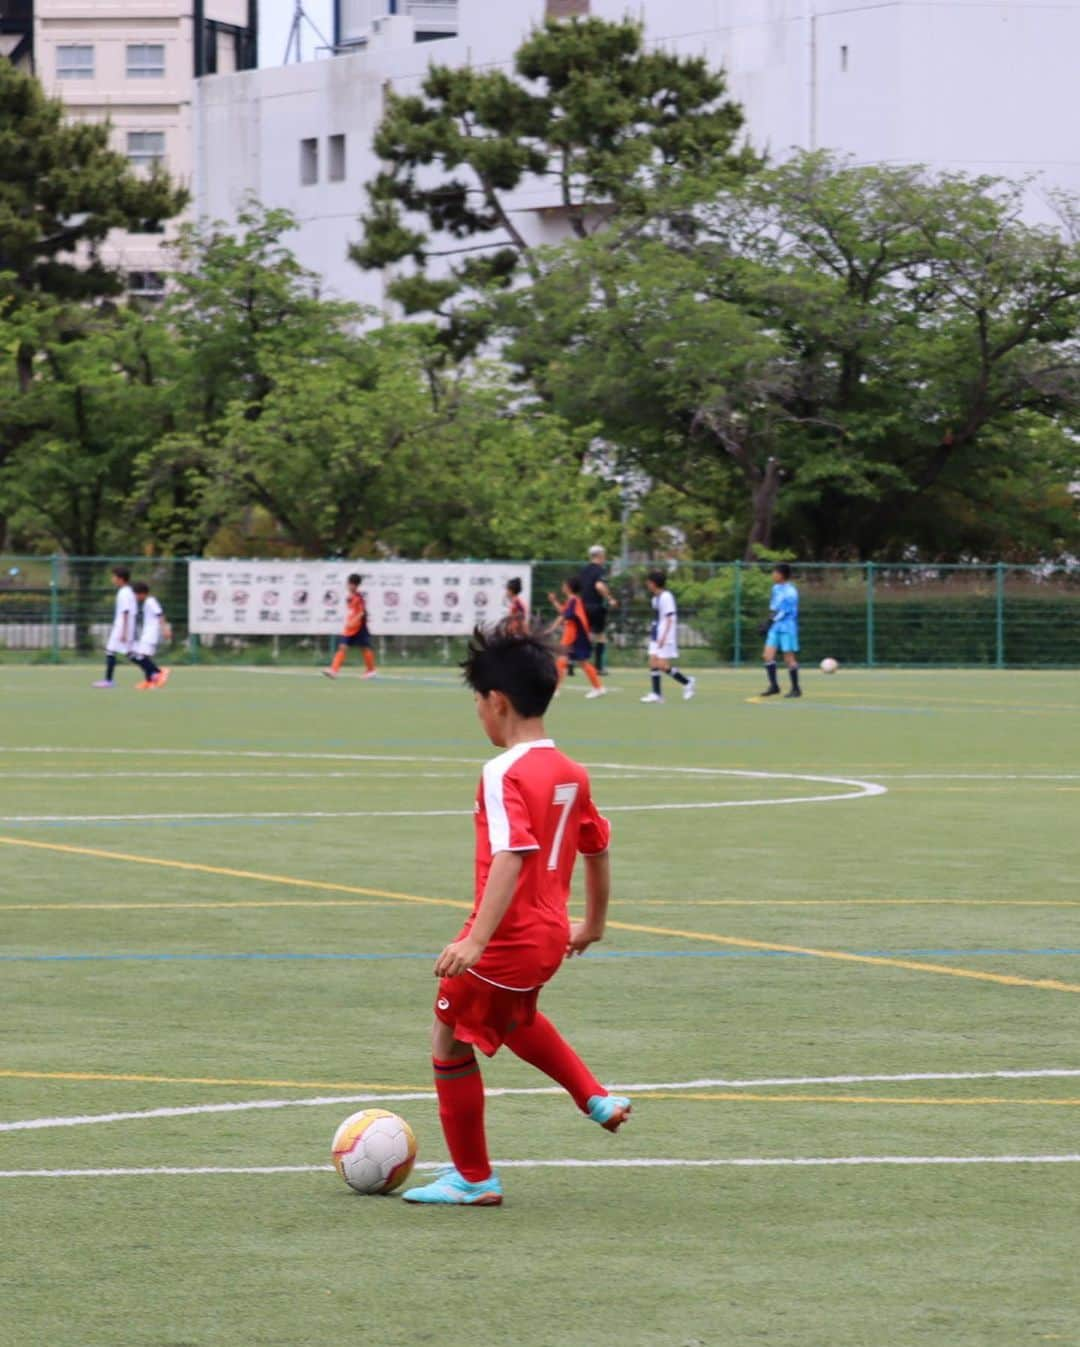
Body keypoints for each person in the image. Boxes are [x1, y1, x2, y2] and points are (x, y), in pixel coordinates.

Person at [401, 622, 630, 1207]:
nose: (477, 713)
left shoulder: (503, 773)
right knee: (515, 1016)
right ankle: (593, 1096)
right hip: (550, 936)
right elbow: (598, 846)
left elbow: (513, 852)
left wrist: (476, 941)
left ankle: (473, 1179)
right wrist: (595, 925)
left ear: (496, 702)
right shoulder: (571, 772)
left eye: (477, 702)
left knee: (448, 1040)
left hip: (504, 938)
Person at [640, 569, 695, 704]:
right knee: (653, 662)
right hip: (656, 634)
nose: (647, 584)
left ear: (654, 583)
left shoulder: (666, 596)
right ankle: (657, 694)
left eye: (649, 582)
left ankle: (687, 682)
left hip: (665, 635)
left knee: (662, 665)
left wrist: (664, 637)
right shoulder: (655, 599)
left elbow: (670, 618)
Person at [551, 577, 605, 699]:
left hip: (574, 634)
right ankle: (598, 688)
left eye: (564, 584)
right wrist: (554, 601)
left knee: (563, 660)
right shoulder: (572, 600)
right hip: (573, 634)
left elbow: (565, 616)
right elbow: (563, 612)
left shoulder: (574, 600)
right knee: (577, 662)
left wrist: (552, 628)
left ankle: (555, 690)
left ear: (569, 587)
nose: (562, 587)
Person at [322, 573, 377, 680]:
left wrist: (354, 621)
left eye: (352, 584)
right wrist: (350, 622)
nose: (349, 586)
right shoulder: (350, 597)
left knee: (364, 648)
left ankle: (371, 670)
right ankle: (334, 670)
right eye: (349, 583)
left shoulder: (358, 597)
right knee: (342, 646)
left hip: (359, 627)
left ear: (356, 586)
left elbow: (361, 613)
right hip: (350, 628)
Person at [760, 562, 801, 699]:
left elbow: (784, 612)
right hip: (775, 626)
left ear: (782, 575)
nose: (773, 575)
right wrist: (767, 622)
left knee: (788, 658)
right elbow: (774, 608)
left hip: (787, 627)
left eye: (775, 572)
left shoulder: (791, 592)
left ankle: (796, 688)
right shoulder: (776, 588)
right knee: (767, 656)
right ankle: (774, 686)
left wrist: (769, 622)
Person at [92, 565, 137, 689]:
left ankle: (108, 681)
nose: (112, 579)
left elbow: (126, 612)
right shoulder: (126, 591)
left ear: (121, 579)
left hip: (122, 627)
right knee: (126, 653)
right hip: (123, 626)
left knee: (114, 651)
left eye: (114, 577)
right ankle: (153, 672)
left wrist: (123, 632)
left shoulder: (124, 593)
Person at [578, 545, 617, 675]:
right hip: (596, 606)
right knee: (600, 636)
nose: (604, 558)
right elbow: (599, 586)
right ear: (600, 556)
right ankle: (598, 667)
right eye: (604, 555)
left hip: (583, 606)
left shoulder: (584, 570)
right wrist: (610, 598)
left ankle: (574, 663)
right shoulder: (600, 570)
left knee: (585, 635)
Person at [130, 581, 172, 690]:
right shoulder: (147, 602)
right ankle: (149, 681)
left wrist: (165, 629)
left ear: (141, 593)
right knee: (144, 656)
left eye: (135, 594)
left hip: (151, 634)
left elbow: (160, 615)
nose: (135, 597)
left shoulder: (150, 601)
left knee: (140, 656)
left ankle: (159, 672)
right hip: (147, 633)